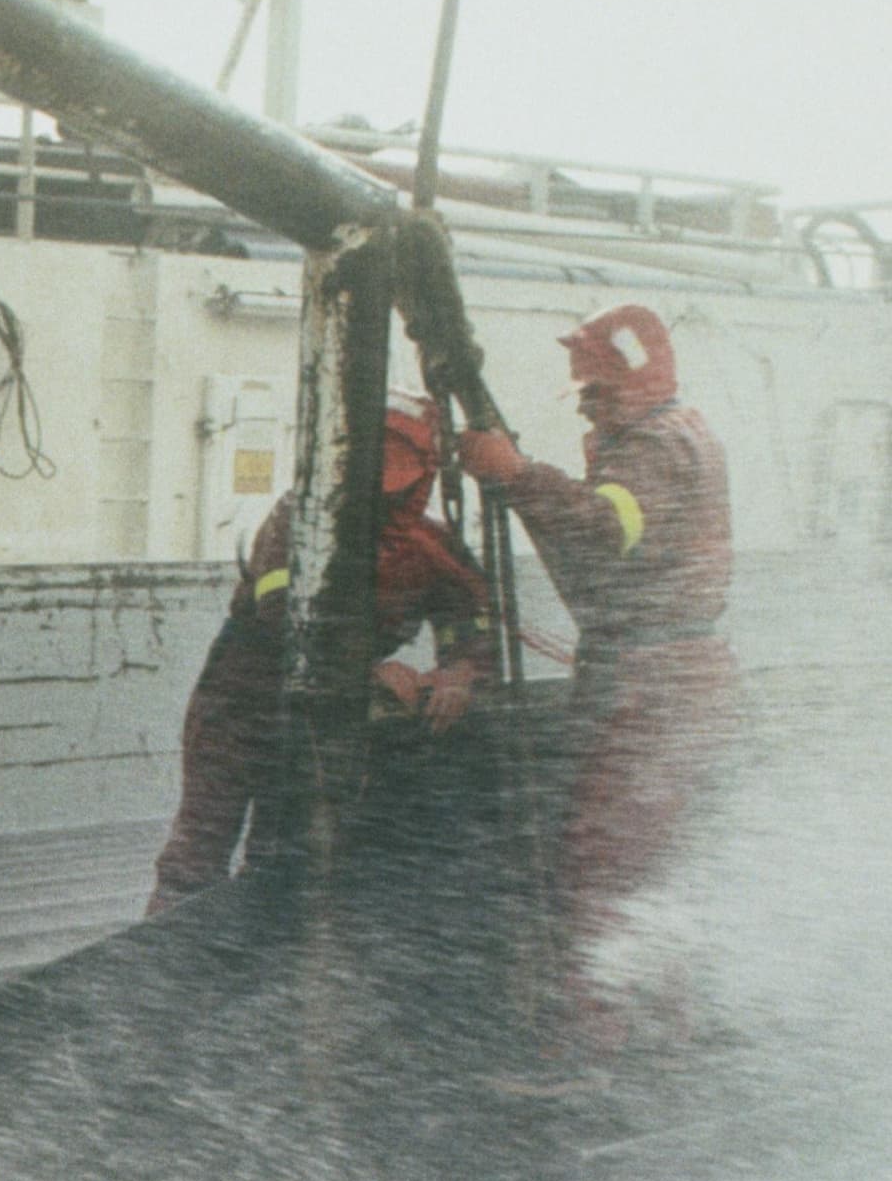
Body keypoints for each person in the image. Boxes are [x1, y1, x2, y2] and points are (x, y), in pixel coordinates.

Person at [461, 303, 736, 1063]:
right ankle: (666, 1026)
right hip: (682, 674)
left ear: (632, 384)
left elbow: (600, 526)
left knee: (596, 860)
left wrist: (515, 474)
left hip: (650, 680)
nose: (585, 403)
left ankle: (583, 1051)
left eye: (597, 390)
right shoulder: (686, 431)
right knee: (651, 860)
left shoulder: (646, 451)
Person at [148, 400, 495, 911]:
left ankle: (249, 972)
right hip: (241, 699)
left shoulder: (429, 547)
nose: (381, 500)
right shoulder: (299, 519)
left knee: (279, 859)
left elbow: (470, 619)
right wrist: (369, 670)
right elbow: (281, 612)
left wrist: (459, 673)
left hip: (318, 718)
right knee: (196, 856)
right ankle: (168, 972)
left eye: (397, 485)